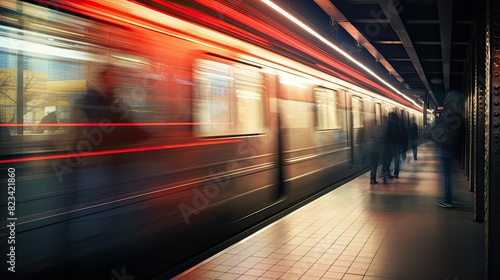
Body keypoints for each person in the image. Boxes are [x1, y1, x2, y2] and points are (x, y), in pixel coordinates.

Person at [428, 90, 464, 208]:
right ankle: (449, 198)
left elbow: (439, 129)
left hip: (446, 149)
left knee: (446, 175)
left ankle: (448, 200)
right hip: (452, 149)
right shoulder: (459, 115)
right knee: (447, 174)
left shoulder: (449, 114)